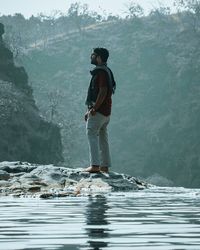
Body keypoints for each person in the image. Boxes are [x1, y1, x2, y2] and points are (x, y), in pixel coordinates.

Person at [84, 47, 116, 173]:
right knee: (103, 137)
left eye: (93, 55)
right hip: (106, 112)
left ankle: (95, 166)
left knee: (91, 134)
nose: (91, 57)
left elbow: (103, 91)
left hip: (99, 111)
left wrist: (93, 109)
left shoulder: (101, 72)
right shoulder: (107, 70)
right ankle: (104, 166)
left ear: (98, 57)